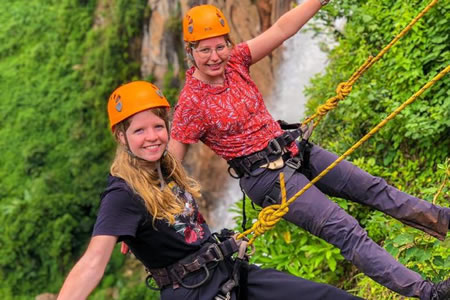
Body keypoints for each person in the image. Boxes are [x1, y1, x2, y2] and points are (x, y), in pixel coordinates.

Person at [168, 2, 450, 300]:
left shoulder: (236, 61)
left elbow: (281, 29)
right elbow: (170, 165)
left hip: (293, 148)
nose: (215, 57)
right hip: (265, 178)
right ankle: (429, 293)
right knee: (346, 231)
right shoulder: (190, 104)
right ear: (190, 52)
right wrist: (140, 213)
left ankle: (443, 219)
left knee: (374, 188)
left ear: (229, 44)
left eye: (220, 47)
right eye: (204, 50)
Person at [57, 81, 363, 300]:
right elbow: (93, 262)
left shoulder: (164, 168)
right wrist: (117, 227)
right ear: (121, 136)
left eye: (158, 126)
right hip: (195, 292)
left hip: (228, 273)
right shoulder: (121, 194)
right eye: (139, 130)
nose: (152, 137)